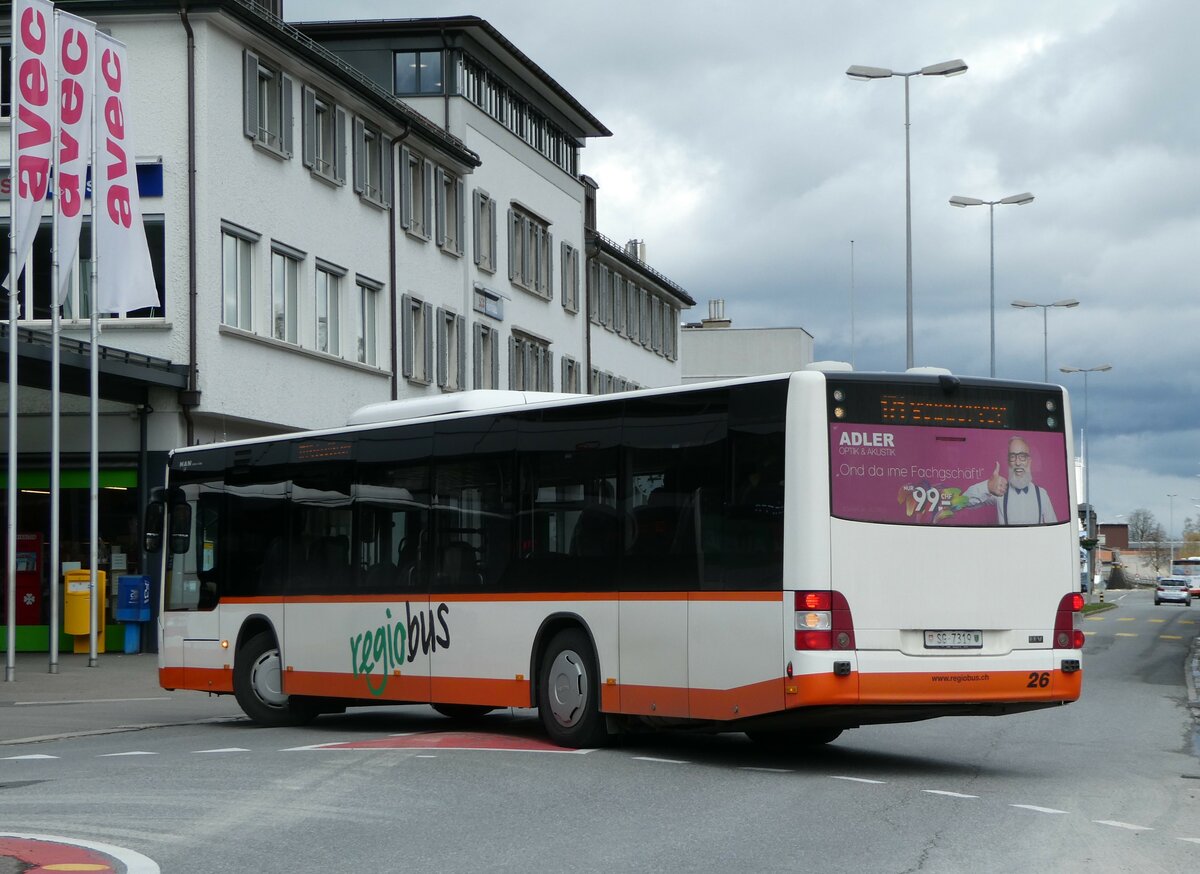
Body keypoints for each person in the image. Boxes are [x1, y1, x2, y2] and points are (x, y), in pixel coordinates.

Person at [963, 436, 1057, 525]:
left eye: (1022, 456)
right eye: (1013, 457)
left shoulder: (1041, 494)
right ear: (1008, 462)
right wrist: (987, 487)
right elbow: (963, 503)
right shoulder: (999, 490)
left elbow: (1054, 530)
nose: (1018, 462)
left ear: (1029, 461)